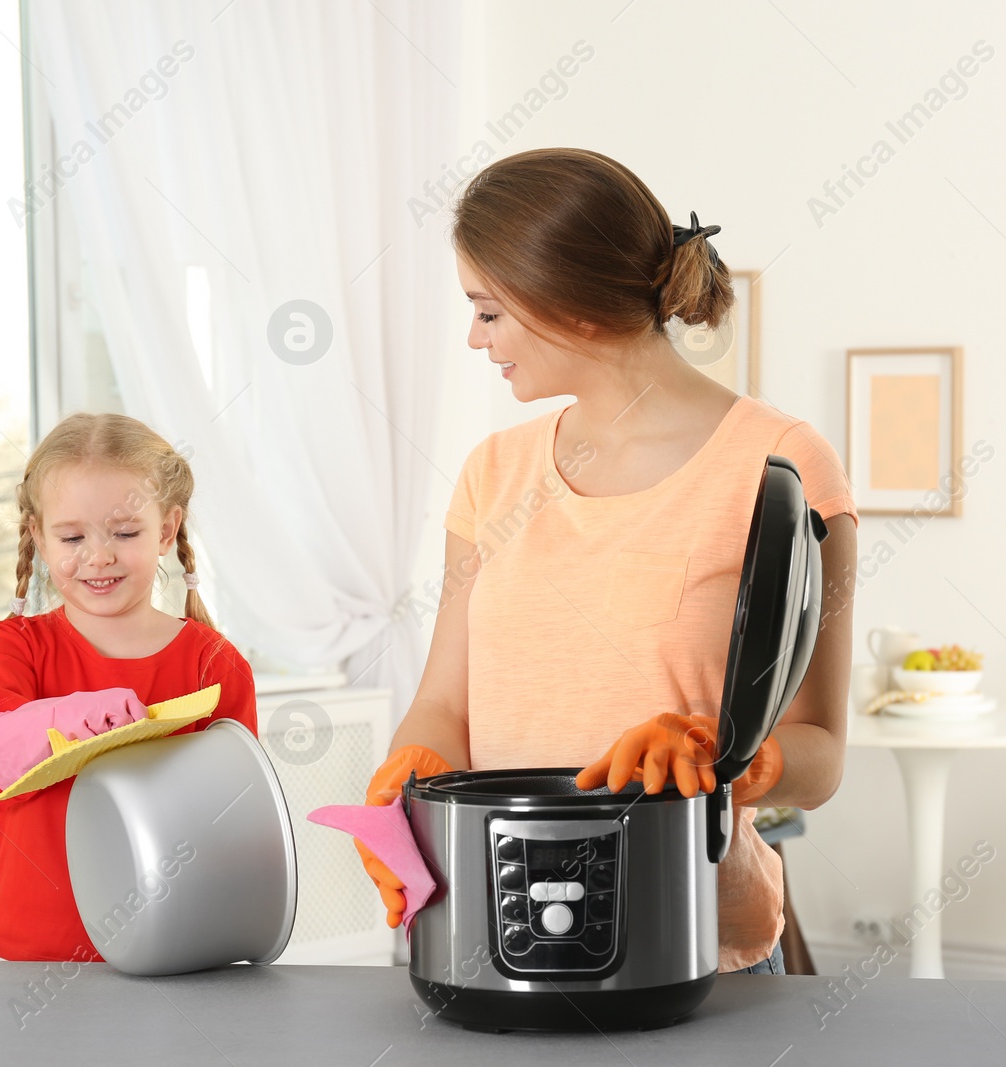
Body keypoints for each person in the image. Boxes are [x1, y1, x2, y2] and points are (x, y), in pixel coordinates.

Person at [356, 148, 858, 976]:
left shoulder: (782, 464)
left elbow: (822, 751)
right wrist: (414, 769)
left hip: (693, 934)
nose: (475, 338)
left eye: (488, 311)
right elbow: (445, 701)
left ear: (571, 309)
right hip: (500, 928)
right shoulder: (493, 473)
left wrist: (729, 758)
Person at [0, 412, 257, 962]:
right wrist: (73, 717)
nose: (99, 556)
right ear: (38, 536)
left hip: (177, 947)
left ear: (167, 529)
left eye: (125, 532)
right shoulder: (17, 647)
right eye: (72, 536)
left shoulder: (214, 664)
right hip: (38, 951)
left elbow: (237, 819)